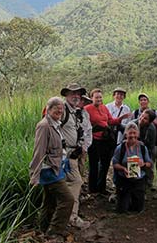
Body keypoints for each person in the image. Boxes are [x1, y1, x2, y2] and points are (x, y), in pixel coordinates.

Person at [29, 97, 74, 240]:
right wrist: (34, 175)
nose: (59, 110)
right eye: (56, 108)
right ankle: (54, 231)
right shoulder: (44, 126)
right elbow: (38, 151)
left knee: (49, 202)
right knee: (68, 199)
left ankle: (43, 229)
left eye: (61, 108)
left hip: (56, 168)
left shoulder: (56, 124)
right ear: (48, 109)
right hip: (48, 171)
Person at [84, 88, 130, 194]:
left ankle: (101, 187)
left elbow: (110, 121)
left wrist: (121, 118)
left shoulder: (104, 108)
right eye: (96, 97)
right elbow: (84, 125)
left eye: (100, 97)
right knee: (94, 164)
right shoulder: (87, 109)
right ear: (91, 98)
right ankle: (92, 188)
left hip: (105, 140)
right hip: (94, 140)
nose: (99, 99)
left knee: (104, 164)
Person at [59, 83, 92, 229]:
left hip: (71, 155)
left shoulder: (74, 112)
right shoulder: (62, 110)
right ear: (66, 95)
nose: (76, 96)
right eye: (72, 93)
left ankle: (64, 218)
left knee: (67, 185)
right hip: (63, 156)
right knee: (76, 182)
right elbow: (49, 128)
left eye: (78, 93)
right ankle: (71, 217)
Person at [112, 123, 152, 213]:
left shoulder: (142, 147)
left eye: (134, 133)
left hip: (138, 179)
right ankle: (120, 198)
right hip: (124, 179)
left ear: (138, 134)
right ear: (126, 134)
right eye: (130, 133)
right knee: (122, 210)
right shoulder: (120, 148)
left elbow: (149, 163)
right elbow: (115, 164)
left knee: (137, 209)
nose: (132, 135)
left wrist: (143, 164)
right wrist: (123, 168)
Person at [128, 109, 157, 189]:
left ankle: (146, 186)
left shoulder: (152, 129)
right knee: (133, 173)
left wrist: (145, 160)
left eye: (145, 118)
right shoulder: (132, 124)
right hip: (132, 151)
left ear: (149, 121)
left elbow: (151, 146)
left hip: (146, 150)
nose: (142, 119)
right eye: (142, 116)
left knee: (146, 170)